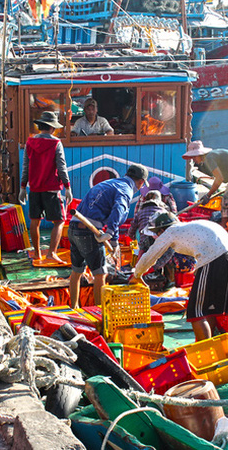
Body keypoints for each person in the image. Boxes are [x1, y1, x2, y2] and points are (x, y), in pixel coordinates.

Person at [131, 213, 228, 342]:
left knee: (195, 311)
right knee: (208, 309)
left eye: (157, 233)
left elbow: (151, 255)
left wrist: (137, 274)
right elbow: (203, 247)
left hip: (215, 260)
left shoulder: (170, 232)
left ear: (161, 230)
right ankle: (206, 345)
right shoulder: (188, 228)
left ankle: (202, 347)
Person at [69, 164, 149, 308]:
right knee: (100, 274)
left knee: (76, 271)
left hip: (74, 226)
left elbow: (114, 215)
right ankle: (99, 312)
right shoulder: (126, 190)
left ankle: (73, 307)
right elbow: (119, 210)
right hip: (89, 231)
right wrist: (110, 232)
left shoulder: (111, 184)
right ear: (141, 182)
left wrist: (114, 240)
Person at [19, 111, 73, 264]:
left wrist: (23, 187)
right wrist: (68, 187)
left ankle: (37, 253)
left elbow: (26, 166)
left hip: (34, 188)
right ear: (52, 128)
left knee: (35, 221)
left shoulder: (30, 143)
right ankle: (51, 253)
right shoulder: (56, 143)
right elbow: (61, 167)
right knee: (59, 221)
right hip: (51, 189)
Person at [182, 141, 228, 239]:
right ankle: (222, 228)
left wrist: (208, 195)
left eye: (194, 157)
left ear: (200, 154)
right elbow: (220, 177)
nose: (194, 160)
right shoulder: (209, 158)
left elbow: (219, 179)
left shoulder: (209, 158)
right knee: (224, 201)